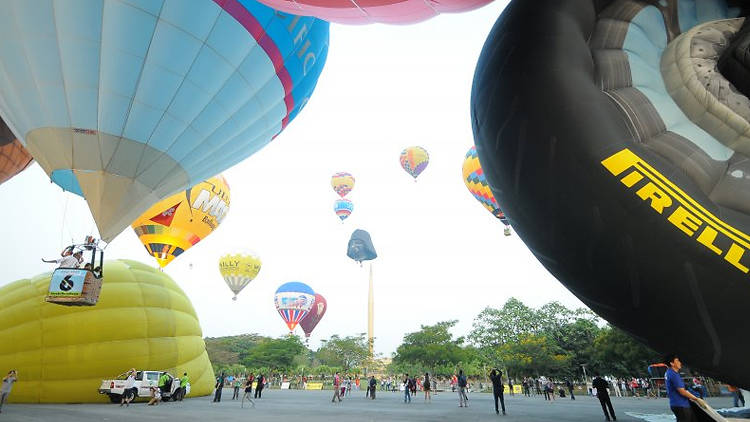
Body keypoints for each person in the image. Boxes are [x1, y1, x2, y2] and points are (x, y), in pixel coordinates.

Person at [664, 354, 701, 421]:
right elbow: (682, 391)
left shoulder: (669, 372)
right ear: (672, 363)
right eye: (677, 361)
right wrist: (696, 399)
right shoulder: (674, 374)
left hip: (676, 404)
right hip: (681, 405)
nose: (680, 363)